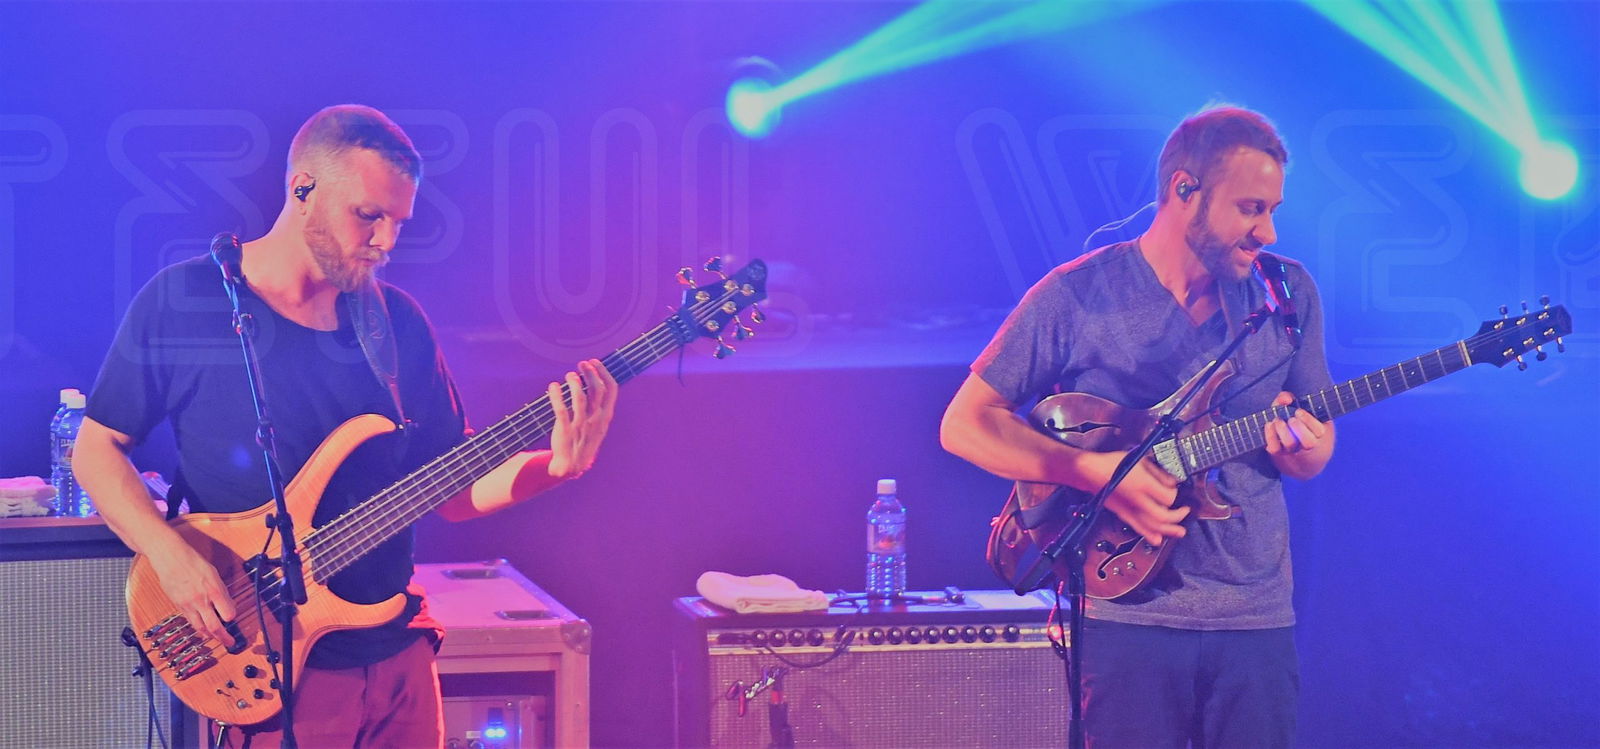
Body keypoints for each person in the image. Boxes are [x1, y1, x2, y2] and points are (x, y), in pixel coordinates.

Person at [74, 104, 618, 748]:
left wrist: (556, 468)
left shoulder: (396, 323)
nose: (386, 241)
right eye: (368, 215)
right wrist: (171, 557)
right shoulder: (185, 303)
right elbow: (96, 450)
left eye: (398, 222)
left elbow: (450, 489)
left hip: (396, 652)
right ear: (302, 188)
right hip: (272, 666)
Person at [940, 105, 1335, 748]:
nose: (1266, 230)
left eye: (1272, 210)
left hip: (1255, 618)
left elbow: (1314, 450)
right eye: (1250, 208)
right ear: (1185, 190)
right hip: (1126, 617)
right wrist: (1092, 471)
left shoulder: (1286, 295)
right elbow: (964, 424)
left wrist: (1304, 447)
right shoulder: (1076, 295)